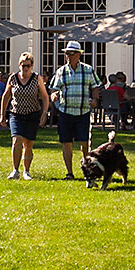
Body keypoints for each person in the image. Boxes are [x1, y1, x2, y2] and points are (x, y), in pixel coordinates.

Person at [49, 41, 102, 180]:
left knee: (84, 142)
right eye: (66, 53)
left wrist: (95, 100)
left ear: (78, 55)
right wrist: (54, 96)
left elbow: (95, 86)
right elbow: (54, 89)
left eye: (71, 53)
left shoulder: (88, 70)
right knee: (66, 142)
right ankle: (69, 173)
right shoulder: (61, 71)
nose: (68, 56)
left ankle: (87, 170)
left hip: (83, 112)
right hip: (65, 112)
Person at [0, 52, 50, 180]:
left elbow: (45, 97)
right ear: (19, 65)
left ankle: (26, 171)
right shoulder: (13, 78)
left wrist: (44, 113)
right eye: (23, 65)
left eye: (28, 65)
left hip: (32, 114)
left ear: (32, 66)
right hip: (16, 114)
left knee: (28, 145)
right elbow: (6, 96)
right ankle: (15, 170)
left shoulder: (36, 78)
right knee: (16, 140)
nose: (25, 68)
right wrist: (2, 114)